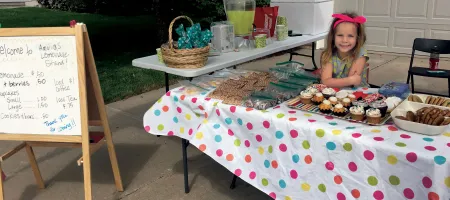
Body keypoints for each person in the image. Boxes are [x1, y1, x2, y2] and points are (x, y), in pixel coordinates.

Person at [320, 12, 369, 88]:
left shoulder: (360, 53)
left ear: (357, 38)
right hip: (334, 94)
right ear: (333, 36)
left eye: (350, 36)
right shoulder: (328, 54)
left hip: (358, 94)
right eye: (340, 35)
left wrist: (331, 81)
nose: (344, 40)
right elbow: (325, 81)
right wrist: (350, 80)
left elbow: (350, 85)